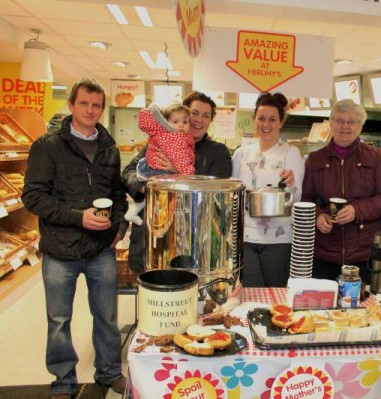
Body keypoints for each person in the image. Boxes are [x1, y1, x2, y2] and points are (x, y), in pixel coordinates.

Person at [21, 78, 128, 398]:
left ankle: (109, 372)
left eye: (96, 105)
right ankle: (64, 380)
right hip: (59, 250)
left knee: (106, 317)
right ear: (71, 106)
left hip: (101, 250)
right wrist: (77, 216)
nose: (90, 110)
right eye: (84, 103)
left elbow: (118, 196)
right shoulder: (47, 146)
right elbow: (33, 196)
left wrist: (118, 230)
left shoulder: (109, 148)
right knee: (58, 319)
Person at [122, 91, 232, 272]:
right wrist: (147, 187)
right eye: (194, 113)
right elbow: (128, 173)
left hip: (193, 242)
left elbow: (214, 194)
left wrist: (177, 172)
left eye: (206, 116)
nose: (198, 120)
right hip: (152, 237)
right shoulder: (157, 142)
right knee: (151, 295)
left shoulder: (218, 152)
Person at [301, 99, 381, 283]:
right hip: (324, 254)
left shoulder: (376, 157)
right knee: (321, 310)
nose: (345, 126)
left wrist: (356, 211)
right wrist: (318, 216)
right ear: (331, 123)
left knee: (362, 309)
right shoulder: (315, 159)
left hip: (363, 255)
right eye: (340, 120)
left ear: (360, 126)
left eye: (352, 121)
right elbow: (306, 199)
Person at [232, 92, 304, 287]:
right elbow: (232, 194)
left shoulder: (290, 153)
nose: (266, 124)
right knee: (249, 293)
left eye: (272, 119)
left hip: (279, 239)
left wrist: (291, 182)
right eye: (261, 118)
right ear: (254, 120)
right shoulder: (241, 153)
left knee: (277, 294)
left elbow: (297, 198)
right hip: (245, 237)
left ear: (280, 122)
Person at [124, 103, 193, 226]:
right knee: (163, 201)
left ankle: (133, 212)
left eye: (185, 122)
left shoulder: (181, 138)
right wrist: (187, 175)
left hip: (152, 170)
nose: (181, 125)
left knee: (157, 200)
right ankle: (157, 221)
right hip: (156, 171)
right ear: (165, 123)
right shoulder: (172, 136)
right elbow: (182, 162)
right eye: (175, 121)